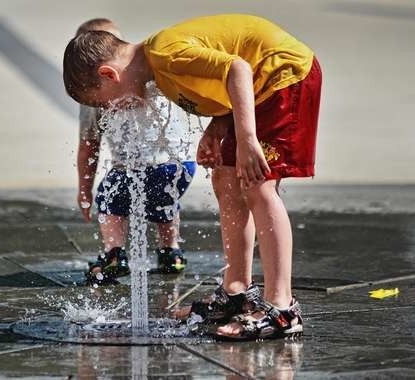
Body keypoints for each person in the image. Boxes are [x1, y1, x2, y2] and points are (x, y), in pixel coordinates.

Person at [63, 14, 321, 340]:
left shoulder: (165, 54)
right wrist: (219, 127)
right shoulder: (160, 70)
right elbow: (224, 82)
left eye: (109, 103)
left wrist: (246, 138)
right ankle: (236, 292)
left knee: (259, 186)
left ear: (109, 74)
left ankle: (282, 308)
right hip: (262, 86)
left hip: (284, 77)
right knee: (226, 180)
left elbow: (239, 69)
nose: (117, 110)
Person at [73, 18, 197, 285]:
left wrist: (85, 190)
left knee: (109, 197)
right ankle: (171, 253)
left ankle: (114, 254)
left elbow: (88, 147)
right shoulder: (148, 71)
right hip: (182, 165)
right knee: (164, 201)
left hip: (137, 168)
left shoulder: (97, 93)